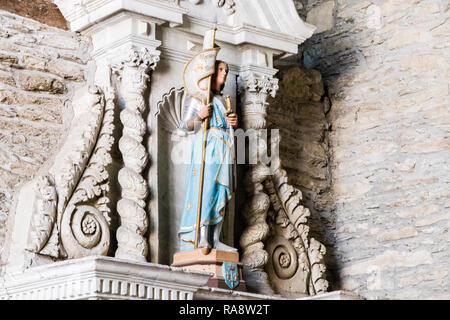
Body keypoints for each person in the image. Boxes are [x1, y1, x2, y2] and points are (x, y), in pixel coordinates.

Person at [178, 60, 238, 252]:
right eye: (220, 69)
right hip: (207, 149)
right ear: (211, 73)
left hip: (223, 149)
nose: (224, 73)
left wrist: (232, 124)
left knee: (221, 191)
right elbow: (183, 127)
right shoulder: (200, 98)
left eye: (226, 70)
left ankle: (216, 238)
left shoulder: (224, 100)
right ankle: (203, 237)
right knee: (207, 189)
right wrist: (200, 116)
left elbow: (227, 127)